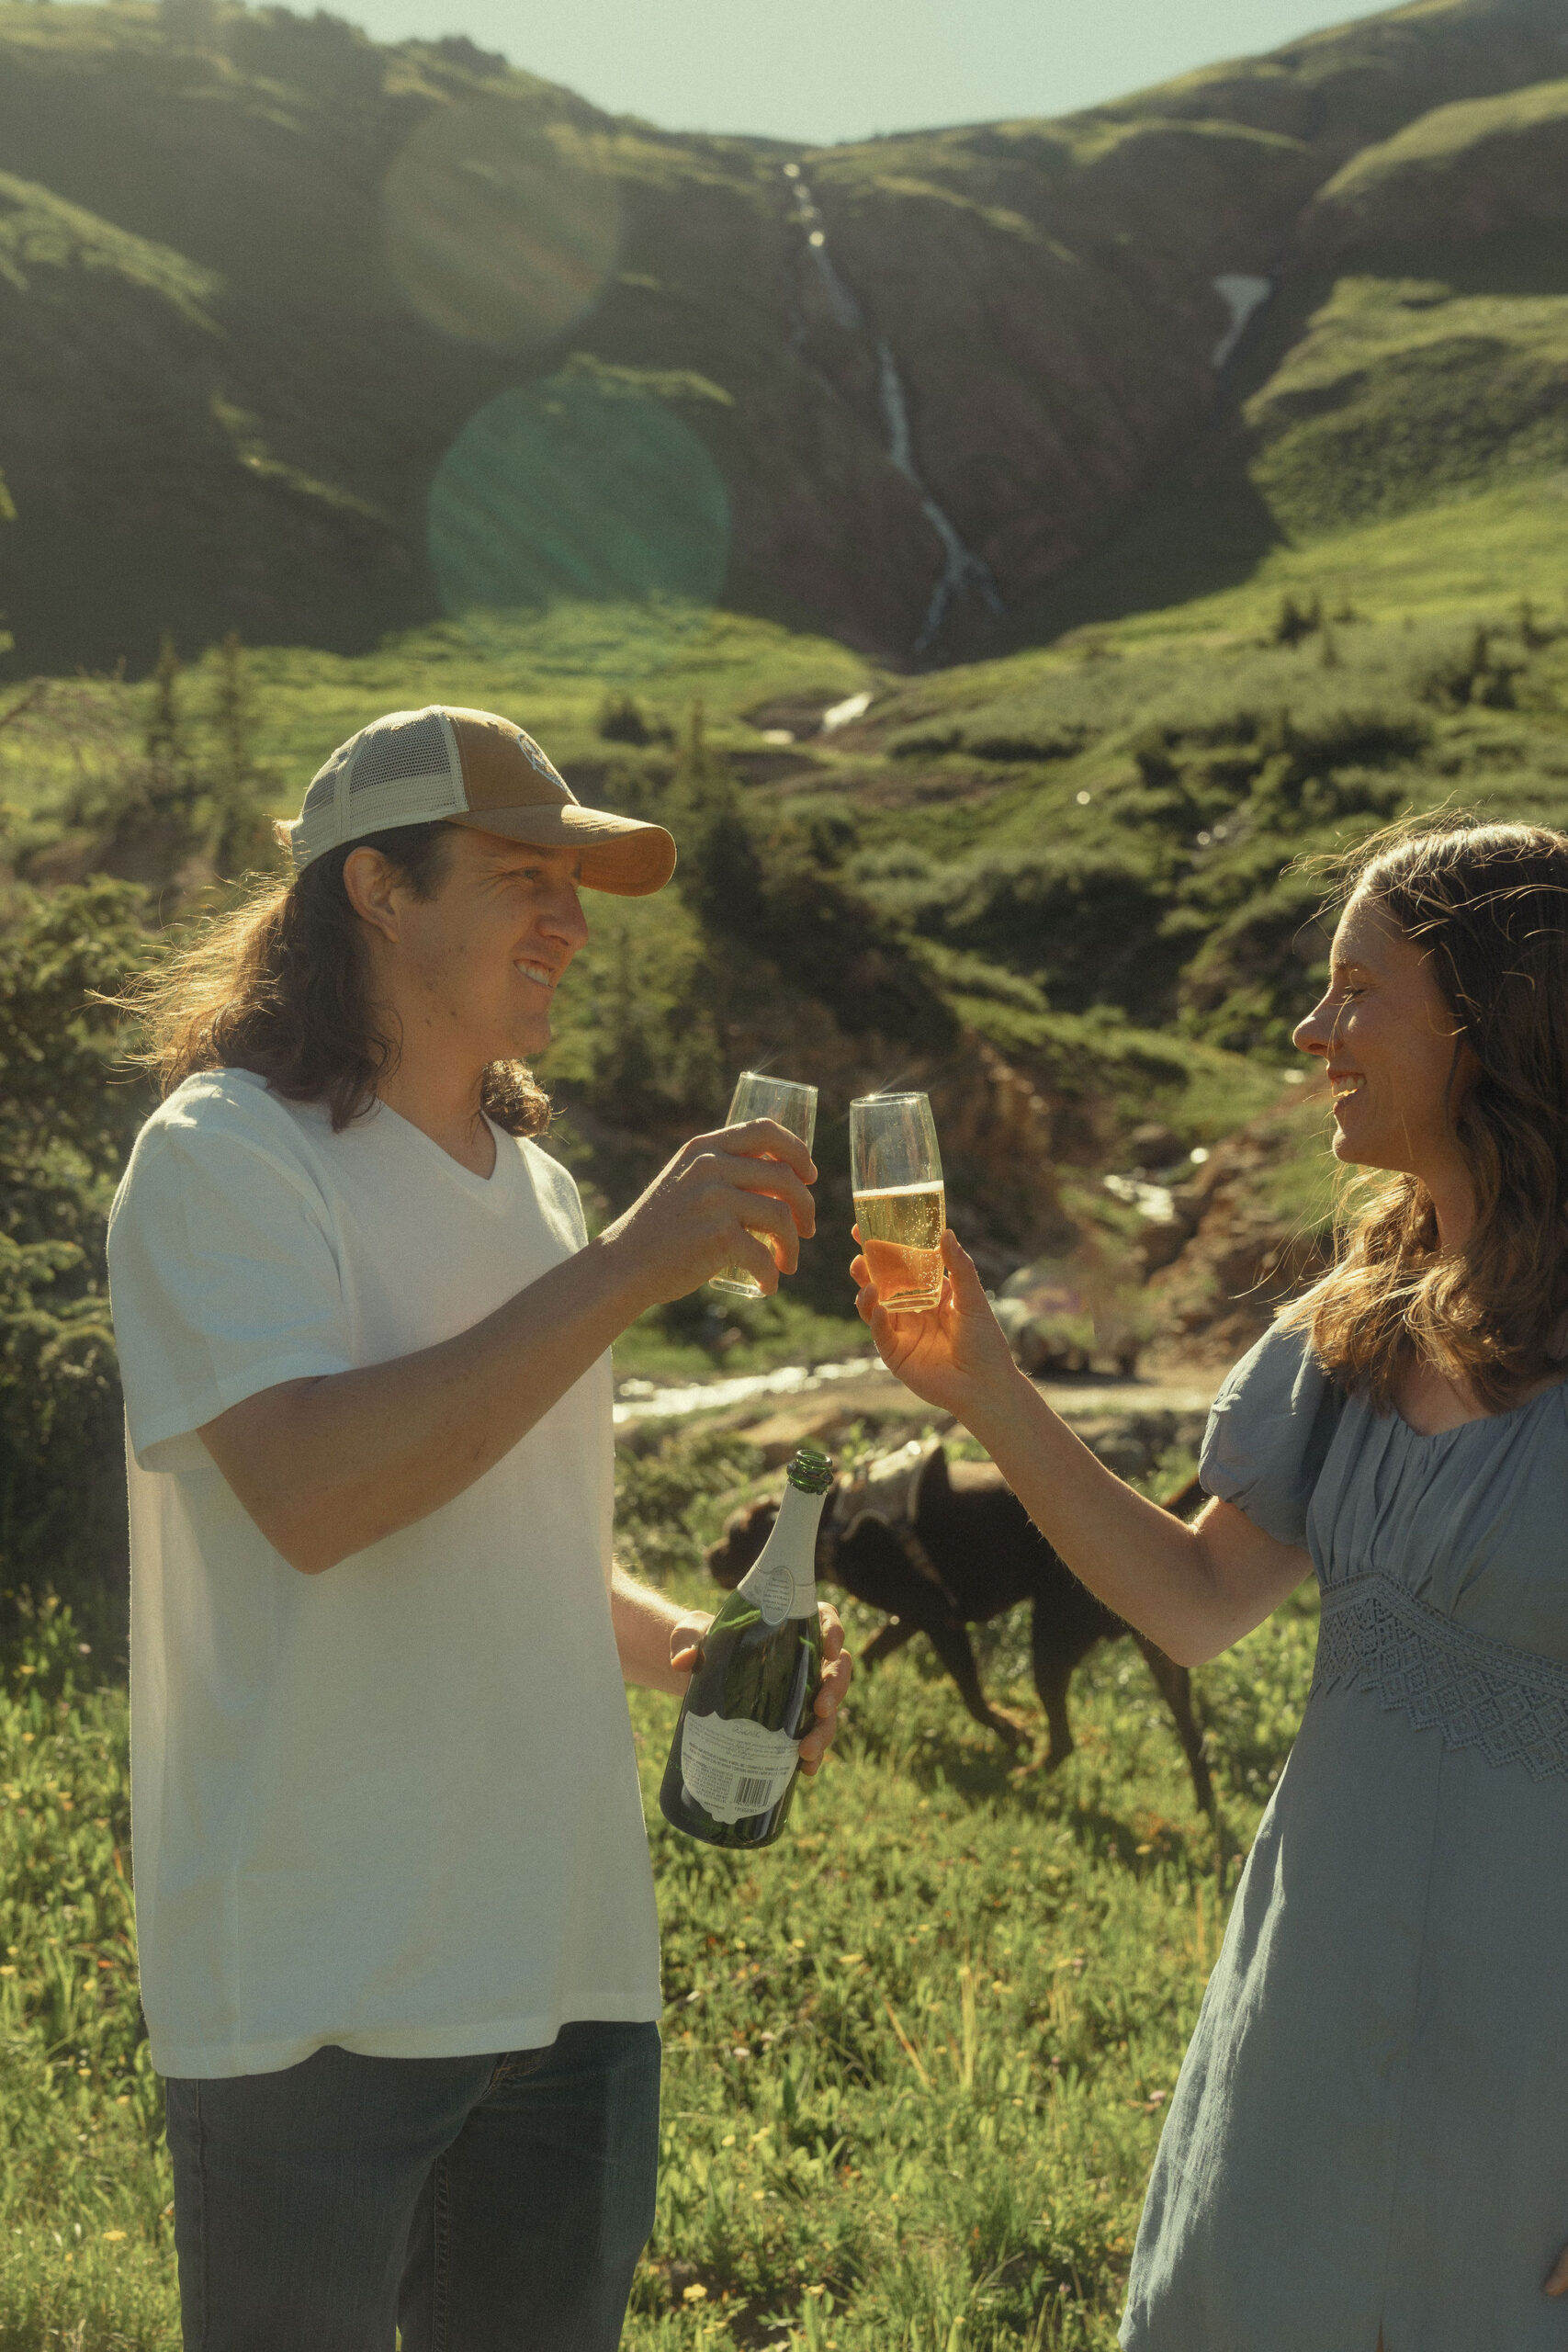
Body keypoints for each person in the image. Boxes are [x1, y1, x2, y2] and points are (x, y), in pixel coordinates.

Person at [105, 704, 851, 2352]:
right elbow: (312, 1493)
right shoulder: (225, 1156)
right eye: (528, 879)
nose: (573, 924)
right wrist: (628, 1275)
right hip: (323, 1983)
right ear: (377, 889)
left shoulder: (540, 1186)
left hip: (568, 1964)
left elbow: (500, 1521)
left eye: (579, 888)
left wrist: (692, 1650)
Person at [852, 820, 1568, 2351]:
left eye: (1353, 992)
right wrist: (984, 1384)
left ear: (1489, 1021)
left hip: (1534, 2076)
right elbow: (1190, 1600)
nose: (1314, 1034)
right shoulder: (1354, 1333)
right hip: (1304, 2014)